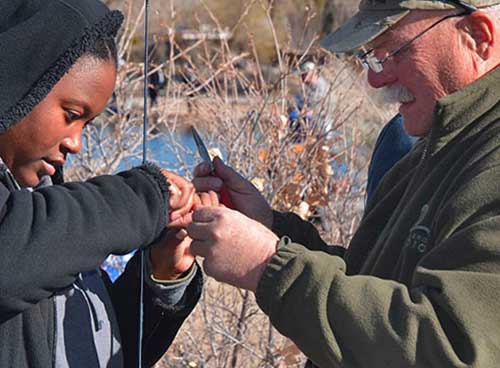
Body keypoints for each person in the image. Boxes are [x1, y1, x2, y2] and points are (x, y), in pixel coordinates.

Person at [187, 0, 500, 367]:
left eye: (393, 53)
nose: (376, 79)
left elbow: (450, 348)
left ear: (479, 38)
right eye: (372, 57)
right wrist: (270, 228)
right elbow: (371, 279)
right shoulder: (436, 144)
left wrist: (269, 266)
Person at [0, 1, 215, 367]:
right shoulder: (28, 230)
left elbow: (101, 350)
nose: (75, 142)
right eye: (70, 115)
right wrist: (147, 196)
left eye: (87, 124)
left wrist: (160, 275)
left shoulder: (46, 215)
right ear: (16, 80)